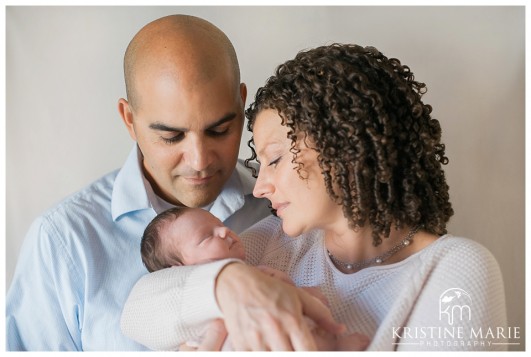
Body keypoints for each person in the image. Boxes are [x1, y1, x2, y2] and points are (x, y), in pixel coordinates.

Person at [121, 43, 508, 351]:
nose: (259, 187)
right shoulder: (277, 243)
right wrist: (227, 282)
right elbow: (137, 313)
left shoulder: (454, 269)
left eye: (274, 159)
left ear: (343, 146)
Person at [5, 15, 272, 351]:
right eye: (172, 136)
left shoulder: (281, 207)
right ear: (129, 120)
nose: (199, 160)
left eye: (219, 130)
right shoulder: (63, 242)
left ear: (240, 104)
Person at [137, 206, 370, 351]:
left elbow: (289, 296)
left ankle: (336, 346)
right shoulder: (189, 307)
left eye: (219, 225)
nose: (223, 231)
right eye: (206, 237)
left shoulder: (260, 269)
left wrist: (308, 295)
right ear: (179, 269)